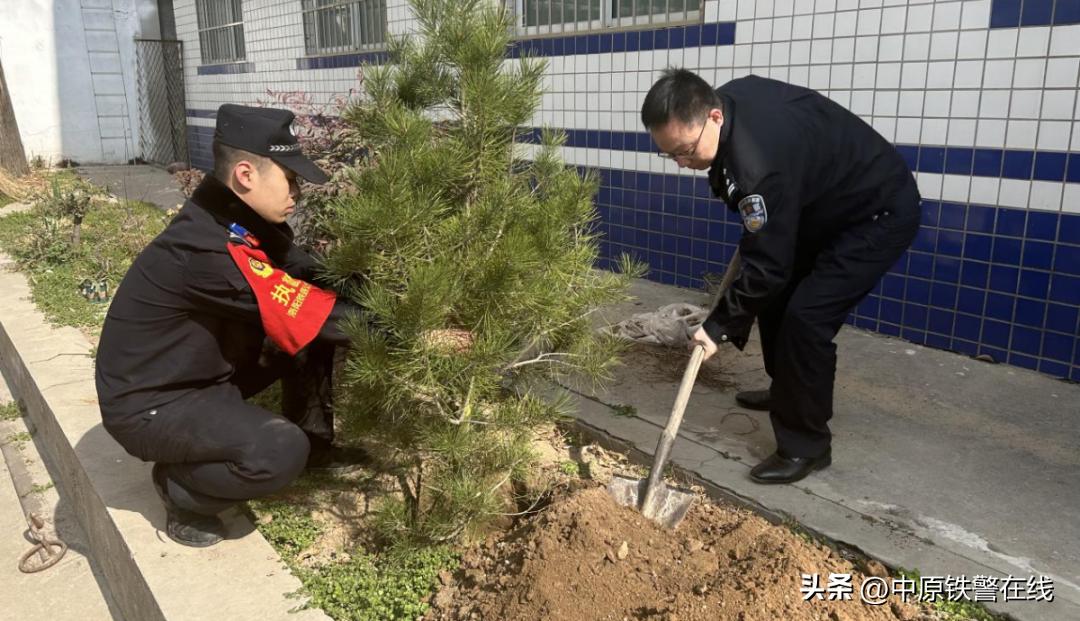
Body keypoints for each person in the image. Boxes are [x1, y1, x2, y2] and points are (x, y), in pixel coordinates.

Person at [95, 104, 364, 547]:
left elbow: (306, 274)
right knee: (279, 449)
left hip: (199, 372)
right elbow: (307, 308)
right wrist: (414, 330)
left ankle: (315, 445)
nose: (297, 191)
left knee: (307, 331)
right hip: (152, 403)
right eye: (290, 178)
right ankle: (181, 489)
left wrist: (376, 289)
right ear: (245, 175)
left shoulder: (233, 216)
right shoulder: (206, 251)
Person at [641, 69, 920, 484]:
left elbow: (767, 265)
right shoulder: (726, 107)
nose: (682, 164)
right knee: (775, 299)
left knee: (806, 318)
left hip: (874, 214)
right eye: (670, 155)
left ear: (714, 116)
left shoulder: (759, 166)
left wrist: (717, 327)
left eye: (685, 151)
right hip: (821, 207)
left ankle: (806, 447)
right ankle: (788, 391)